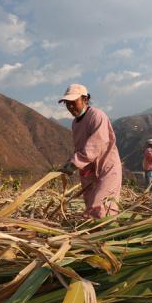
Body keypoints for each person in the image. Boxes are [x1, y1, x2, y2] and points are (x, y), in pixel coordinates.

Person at [58, 83, 123, 218]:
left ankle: (107, 234)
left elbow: (95, 145)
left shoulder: (97, 116)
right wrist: (69, 164)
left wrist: (73, 164)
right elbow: (80, 147)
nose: (70, 106)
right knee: (90, 205)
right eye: (67, 103)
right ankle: (92, 236)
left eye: (73, 102)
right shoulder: (75, 123)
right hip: (88, 171)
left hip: (107, 168)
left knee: (102, 206)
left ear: (85, 99)